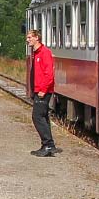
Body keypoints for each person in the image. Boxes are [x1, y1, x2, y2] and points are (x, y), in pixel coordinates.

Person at [26, 28, 59, 157]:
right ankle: (48, 145)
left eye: (29, 37)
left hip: (42, 91)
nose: (27, 40)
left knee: (37, 116)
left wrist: (43, 90)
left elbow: (49, 74)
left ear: (36, 38)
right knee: (43, 117)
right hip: (38, 90)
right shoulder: (36, 53)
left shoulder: (44, 53)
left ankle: (48, 144)